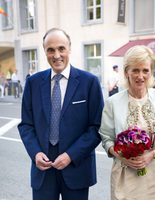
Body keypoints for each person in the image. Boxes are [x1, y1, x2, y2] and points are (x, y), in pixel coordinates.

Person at [18, 28, 104, 200]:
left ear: (69, 49)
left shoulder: (89, 82)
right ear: (45, 52)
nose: (56, 55)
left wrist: (70, 156)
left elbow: (96, 128)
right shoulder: (33, 83)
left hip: (76, 167)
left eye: (61, 48)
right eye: (51, 50)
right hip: (43, 169)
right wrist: (35, 153)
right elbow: (26, 125)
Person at [99, 45, 155, 200]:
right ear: (126, 72)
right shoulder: (112, 103)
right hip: (124, 174)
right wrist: (122, 157)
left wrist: (151, 155)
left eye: (145, 70)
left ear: (151, 72)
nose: (140, 76)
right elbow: (106, 139)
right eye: (135, 70)